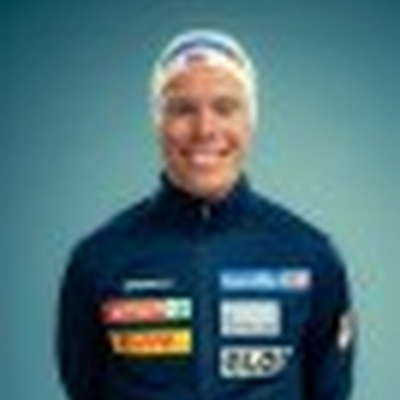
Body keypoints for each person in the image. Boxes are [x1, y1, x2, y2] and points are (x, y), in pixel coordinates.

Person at [56, 29, 356, 400]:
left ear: (250, 122)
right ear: (158, 123)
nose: (205, 129)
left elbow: (330, 391)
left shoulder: (311, 255)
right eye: (182, 109)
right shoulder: (98, 258)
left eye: (225, 108)